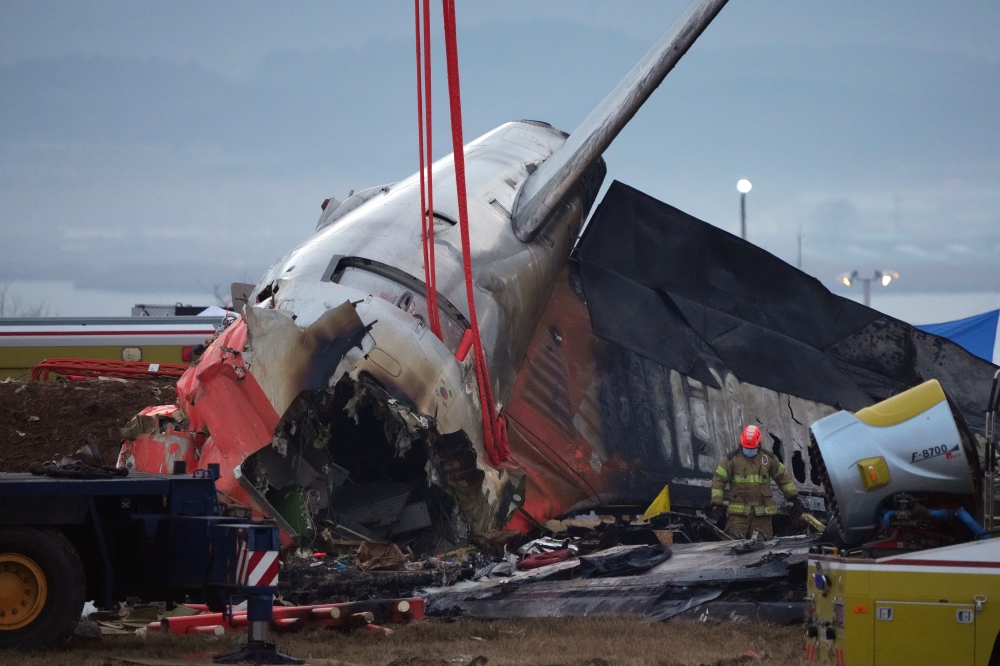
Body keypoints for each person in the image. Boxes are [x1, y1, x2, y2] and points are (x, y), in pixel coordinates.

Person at [709, 424, 805, 539]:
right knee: (733, 544)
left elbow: (782, 478)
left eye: (751, 448)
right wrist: (716, 503)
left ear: (758, 444)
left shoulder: (769, 459)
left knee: (763, 547)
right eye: (746, 447)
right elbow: (718, 480)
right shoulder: (731, 459)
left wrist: (793, 497)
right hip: (739, 514)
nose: (749, 450)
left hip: (762, 515)